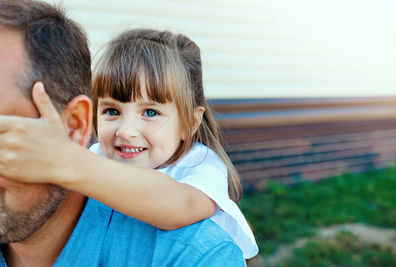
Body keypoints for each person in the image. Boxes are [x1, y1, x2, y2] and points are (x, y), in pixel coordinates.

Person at [0, 0, 245, 266]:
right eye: (112, 112)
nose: (126, 131)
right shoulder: (95, 156)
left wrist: (64, 160)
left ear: (190, 123)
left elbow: (180, 207)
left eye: (150, 112)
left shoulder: (199, 166)